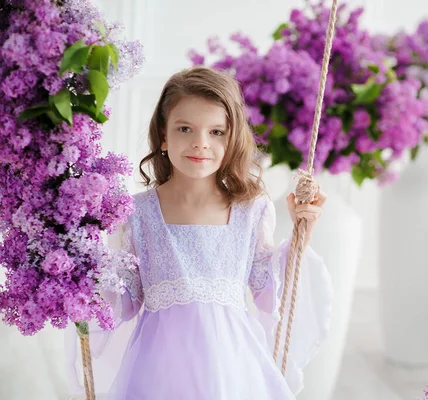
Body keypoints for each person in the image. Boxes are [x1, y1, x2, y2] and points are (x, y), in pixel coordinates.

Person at [100, 66, 333, 399]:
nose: (200, 143)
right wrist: (90, 265)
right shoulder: (136, 213)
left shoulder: (250, 210)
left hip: (231, 366)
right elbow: (124, 302)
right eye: (185, 129)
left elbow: (267, 291)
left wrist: (301, 236)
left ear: (232, 137)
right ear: (163, 136)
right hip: (159, 370)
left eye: (216, 132)